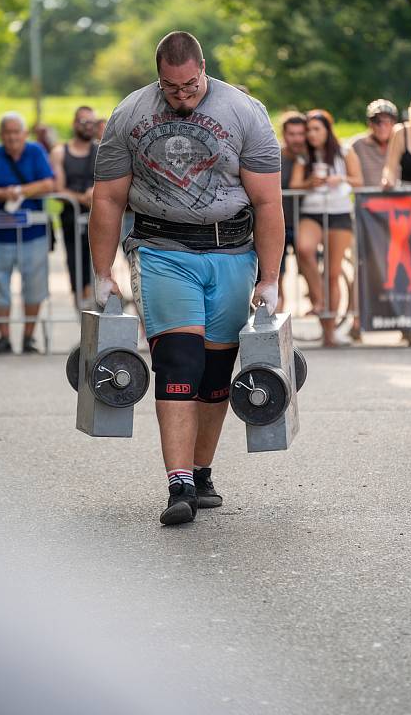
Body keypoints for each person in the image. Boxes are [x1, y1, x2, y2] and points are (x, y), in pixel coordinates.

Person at [89, 31, 283, 526]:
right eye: (171, 87)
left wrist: (271, 277)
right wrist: (102, 272)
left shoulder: (244, 112)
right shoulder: (130, 113)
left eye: (190, 85)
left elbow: (267, 202)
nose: (181, 95)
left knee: (216, 377)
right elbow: (108, 198)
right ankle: (178, 484)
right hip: (161, 251)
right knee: (179, 362)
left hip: (232, 252)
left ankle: (201, 471)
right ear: (159, 77)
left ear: (203, 68)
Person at [0, 113, 54, 354]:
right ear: (1, 135)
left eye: (17, 132)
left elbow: (49, 183)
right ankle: (4, 338)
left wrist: (20, 190)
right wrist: (0, 194)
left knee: (34, 286)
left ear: (24, 134)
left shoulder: (35, 152)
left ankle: (28, 337)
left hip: (33, 234)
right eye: (8, 132)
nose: (12, 136)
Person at [290, 109, 363, 347]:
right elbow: (294, 185)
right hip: (312, 212)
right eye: (308, 130)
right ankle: (320, 300)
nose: (311, 134)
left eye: (316, 129)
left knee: (332, 274)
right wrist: (310, 183)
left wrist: (340, 179)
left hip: (339, 213)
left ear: (327, 130)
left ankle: (329, 334)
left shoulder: (344, 151)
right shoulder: (304, 156)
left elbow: (359, 181)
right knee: (304, 249)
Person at [50, 106, 97, 304]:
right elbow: (58, 189)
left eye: (92, 123)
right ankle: (82, 321)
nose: (88, 127)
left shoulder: (102, 150)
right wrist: (81, 198)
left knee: (100, 270)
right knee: (76, 269)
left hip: (99, 219)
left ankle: (100, 321)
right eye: (84, 122)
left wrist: (96, 192)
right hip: (71, 219)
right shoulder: (60, 152)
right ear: (74, 123)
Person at [277, 111, 307, 312]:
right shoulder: (274, 156)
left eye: (300, 133)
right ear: (284, 134)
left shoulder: (311, 158)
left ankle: (327, 328)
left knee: (310, 271)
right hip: (277, 224)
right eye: (292, 133)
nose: (297, 138)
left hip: (304, 223)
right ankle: (276, 321)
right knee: (276, 276)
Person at [349, 99, 398, 186]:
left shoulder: (399, 144)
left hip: (397, 198)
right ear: (370, 123)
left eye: (387, 121)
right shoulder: (357, 145)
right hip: (367, 198)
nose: (382, 127)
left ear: (393, 123)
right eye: (377, 121)